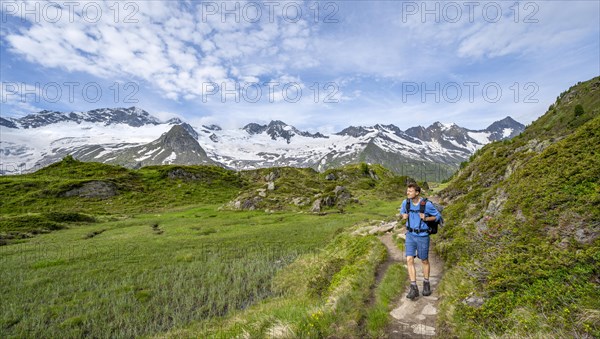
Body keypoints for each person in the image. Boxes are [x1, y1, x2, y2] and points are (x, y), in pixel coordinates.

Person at [400, 183, 441, 300]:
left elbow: (437, 217)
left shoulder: (426, 204)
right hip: (410, 235)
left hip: (423, 236)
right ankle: (413, 287)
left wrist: (426, 218)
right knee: (409, 259)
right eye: (407, 191)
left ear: (417, 193)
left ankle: (426, 283)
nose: (408, 193)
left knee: (424, 260)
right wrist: (403, 215)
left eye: (410, 191)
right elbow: (402, 212)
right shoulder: (406, 203)